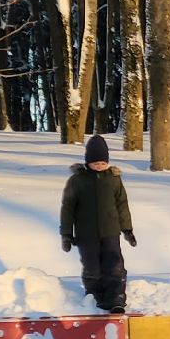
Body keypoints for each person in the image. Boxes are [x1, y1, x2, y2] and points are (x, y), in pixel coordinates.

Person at [59, 134, 136, 314]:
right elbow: (67, 208)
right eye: (96, 163)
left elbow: (122, 205)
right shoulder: (77, 181)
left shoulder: (114, 179)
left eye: (103, 163)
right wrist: (66, 234)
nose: (100, 166)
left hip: (110, 231)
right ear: (88, 162)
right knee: (92, 267)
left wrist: (127, 229)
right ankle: (96, 296)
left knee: (114, 265)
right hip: (86, 234)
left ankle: (116, 297)